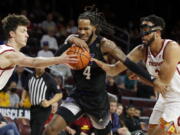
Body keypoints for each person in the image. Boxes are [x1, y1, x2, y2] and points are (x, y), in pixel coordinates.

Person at [43, 6, 164, 135]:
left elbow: (128, 62)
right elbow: (56, 58)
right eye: (80, 28)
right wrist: (69, 41)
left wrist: (152, 79)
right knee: (50, 129)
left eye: (86, 28)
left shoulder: (105, 44)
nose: (82, 32)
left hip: (98, 102)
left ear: (94, 28)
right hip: (78, 96)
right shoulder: (74, 41)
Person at [93, 14, 180, 135]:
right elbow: (114, 70)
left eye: (147, 30)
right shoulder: (141, 50)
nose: (143, 34)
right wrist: (97, 63)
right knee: (152, 133)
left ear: (158, 32)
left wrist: (140, 76)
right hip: (162, 98)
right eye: (141, 30)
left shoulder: (172, 48)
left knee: (163, 132)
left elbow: (162, 83)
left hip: (177, 99)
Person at [0, 14, 78, 90]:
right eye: (23, 31)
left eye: (26, 31)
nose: (27, 35)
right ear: (12, 34)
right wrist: (60, 59)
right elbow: (34, 62)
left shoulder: (7, 51)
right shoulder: (10, 54)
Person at [20, 67, 62, 135]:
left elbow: (59, 94)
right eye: (39, 65)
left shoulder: (48, 78)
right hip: (33, 107)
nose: (40, 68)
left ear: (45, 67)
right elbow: (25, 89)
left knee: (35, 131)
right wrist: (22, 99)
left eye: (42, 66)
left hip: (43, 109)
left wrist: (49, 102)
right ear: (35, 66)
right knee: (34, 129)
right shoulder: (30, 76)